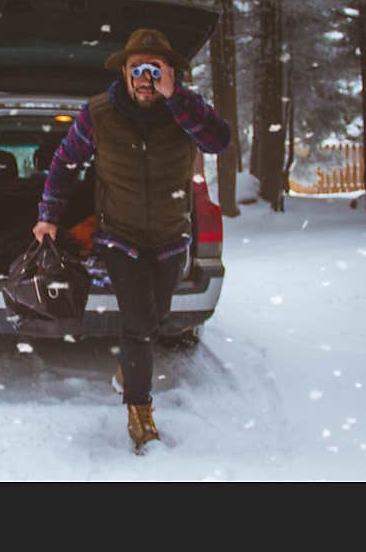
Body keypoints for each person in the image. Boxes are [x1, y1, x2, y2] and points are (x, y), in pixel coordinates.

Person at [32, 28, 231, 450]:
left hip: (170, 237)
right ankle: (140, 414)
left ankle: (129, 368)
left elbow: (219, 140)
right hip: (118, 236)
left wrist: (177, 97)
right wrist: (48, 216)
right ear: (123, 72)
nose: (145, 79)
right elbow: (65, 163)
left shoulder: (185, 110)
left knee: (156, 318)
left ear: (169, 73)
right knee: (138, 323)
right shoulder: (99, 114)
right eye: (136, 69)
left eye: (154, 70)